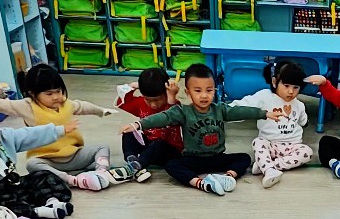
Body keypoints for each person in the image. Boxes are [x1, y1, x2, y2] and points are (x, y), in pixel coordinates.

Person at [121, 63, 283, 195]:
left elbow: (240, 111)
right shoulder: (182, 111)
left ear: (214, 91)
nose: (204, 95)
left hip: (217, 158)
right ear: (188, 92)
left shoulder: (220, 109)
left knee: (244, 158)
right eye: (198, 91)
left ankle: (227, 177)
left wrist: (264, 114)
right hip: (193, 160)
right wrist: (139, 124)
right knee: (172, 165)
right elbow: (162, 118)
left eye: (209, 90)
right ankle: (200, 183)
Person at [0, 63, 125, 190]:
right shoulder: (28, 106)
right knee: (32, 165)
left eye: (58, 91)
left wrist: (101, 111)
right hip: (47, 159)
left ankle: (101, 173)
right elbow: (3, 105)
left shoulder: (65, 103)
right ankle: (71, 180)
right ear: (33, 94)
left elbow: (82, 106)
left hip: (74, 154)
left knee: (102, 148)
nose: (56, 97)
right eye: (49, 94)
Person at [0, 95, 74, 219]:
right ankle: (36, 211)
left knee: (44, 176)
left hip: (15, 185)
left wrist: (59, 130)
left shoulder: (4, 137)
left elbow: (29, 135)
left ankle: (52, 202)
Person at [229, 61, 313, 188]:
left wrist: (304, 121)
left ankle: (266, 166)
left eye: (296, 87)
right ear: (274, 81)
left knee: (307, 152)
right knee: (258, 142)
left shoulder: (299, 105)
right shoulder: (264, 96)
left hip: (292, 146)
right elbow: (244, 105)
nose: (291, 91)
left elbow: (303, 122)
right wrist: (223, 111)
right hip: (270, 145)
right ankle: (268, 170)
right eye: (286, 86)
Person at [116, 66, 182, 182]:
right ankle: (132, 161)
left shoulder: (173, 105)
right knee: (129, 132)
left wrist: (172, 95)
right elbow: (121, 102)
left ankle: (136, 166)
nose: (153, 105)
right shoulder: (141, 103)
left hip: (169, 151)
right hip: (148, 149)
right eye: (148, 100)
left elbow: (172, 115)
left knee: (159, 144)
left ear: (166, 92)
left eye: (158, 100)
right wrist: (132, 86)